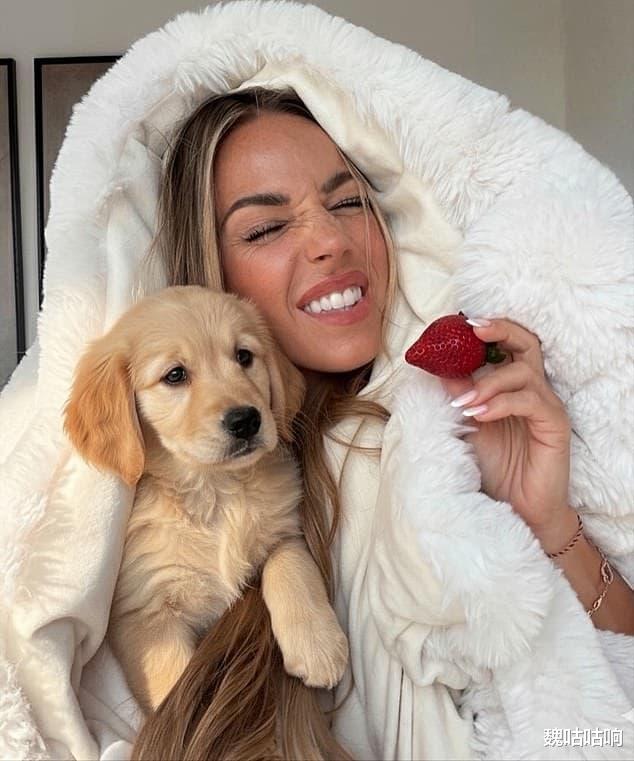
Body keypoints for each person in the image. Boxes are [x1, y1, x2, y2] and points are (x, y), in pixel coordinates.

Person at [1, 3, 633, 760]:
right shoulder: (169, 481)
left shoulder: (462, 409)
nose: (330, 240)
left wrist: (549, 520)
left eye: (347, 201)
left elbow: (606, 727)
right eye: (267, 227)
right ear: (211, 267)